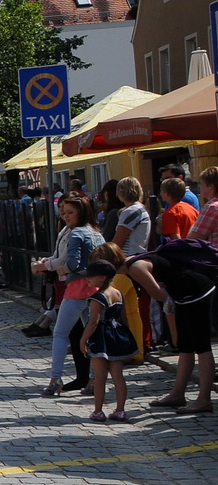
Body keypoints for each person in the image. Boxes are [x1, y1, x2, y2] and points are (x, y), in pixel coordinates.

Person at [126, 247, 217, 415]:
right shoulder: (132, 262)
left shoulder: (134, 267)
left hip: (197, 291)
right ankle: (177, 394)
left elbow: (160, 295)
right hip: (183, 294)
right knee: (185, 346)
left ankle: (204, 399)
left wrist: (164, 293)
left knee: (202, 346)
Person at [34, 196, 101, 396]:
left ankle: (56, 378)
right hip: (96, 288)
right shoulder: (96, 232)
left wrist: (62, 270)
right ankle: (93, 380)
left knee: (61, 333)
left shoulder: (77, 233)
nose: (65, 215)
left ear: (81, 212)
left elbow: (72, 262)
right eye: (63, 211)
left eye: (70, 212)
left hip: (77, 287)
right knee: (91, 335)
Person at [79, 260, 136, 423]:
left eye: (90, 276)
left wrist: (83, 340)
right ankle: (120, 410)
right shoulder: (118, 294)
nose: (87, 279)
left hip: (101, 338)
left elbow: (93, 322)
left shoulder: (97, 298)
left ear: (102, 277)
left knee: (100, 376)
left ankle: (98, 411)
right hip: (116, 335)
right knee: (118, 375)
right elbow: (124, 319)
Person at [111, 177, 151, 256]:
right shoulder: (142, 208)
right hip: (140, 254)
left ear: (121, 192)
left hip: (129, 256)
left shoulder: (131, 211)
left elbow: (117, 242)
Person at [190, 166, 218, 243]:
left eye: (201, 183)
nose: (199, 187)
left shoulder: (212, 207)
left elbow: (193, 239)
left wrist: (195, 223)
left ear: (211, 186)